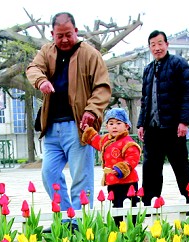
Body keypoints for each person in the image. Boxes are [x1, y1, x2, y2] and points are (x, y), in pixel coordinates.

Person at [26, 12, 111, 216]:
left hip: (78, 126)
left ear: (76, 31)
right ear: (52, 34)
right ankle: (66, 217)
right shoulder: (47, 52)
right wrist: (41, 81)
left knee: (81, 177)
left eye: (68, 35)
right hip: (52, 127)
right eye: (59, 35)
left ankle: (81, 223)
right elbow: (33, 68)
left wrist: (91, 110)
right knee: (49, 174)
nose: (64, 40)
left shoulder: (90, 54)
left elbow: (103, 87)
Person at [137, 30, 189, 207]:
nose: (157, 48)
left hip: (173, 127)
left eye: (160, 43)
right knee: (150, 168)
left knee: (181, 167)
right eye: (153, 45)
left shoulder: (179, 64)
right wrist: (141, 124)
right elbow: (145, 100)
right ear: (149, 47)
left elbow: (188, 94)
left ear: (167, 44)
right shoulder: (148, 69)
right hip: (152, 128)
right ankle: (148, 205)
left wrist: (184, 121)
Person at [81, 107, 141, 221]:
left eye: (119, 123)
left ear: (126, 126)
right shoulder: (105, 141)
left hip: (128, 182)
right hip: (113, 182)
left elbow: (133, 158)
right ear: (107, 126)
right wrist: (88, 131)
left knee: (131, 206)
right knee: (116, 206)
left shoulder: (128, 142)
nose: (114, 126)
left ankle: (133, 227)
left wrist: (121, 168)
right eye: (111, 123)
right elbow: (96, 140)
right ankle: (118, 226)